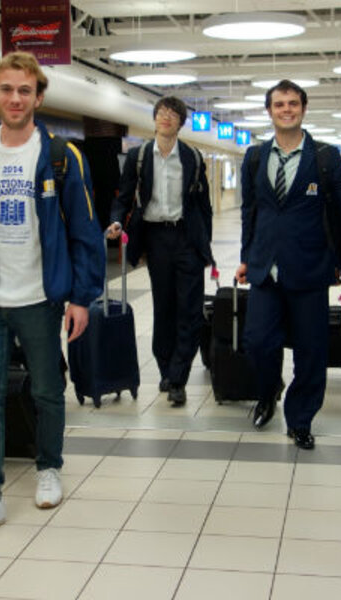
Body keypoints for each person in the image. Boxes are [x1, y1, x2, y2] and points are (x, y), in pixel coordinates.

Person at [0, 52, 105, 538]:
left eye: (24, 90)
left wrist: (80, 296)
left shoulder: (61, 156)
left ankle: (49, 465)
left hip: (40, 297)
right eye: (7, 90)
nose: (15, 98)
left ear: (39, 97)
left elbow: (86, 234)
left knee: (48, 389)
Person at [236, 79, 341, 450]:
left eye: (292, 103)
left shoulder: (324, 156)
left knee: (311, 350)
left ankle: (300, 419)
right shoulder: (255, 157)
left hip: (309, 270)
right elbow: (250, 211)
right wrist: (245, 256)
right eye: (279, 104)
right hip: (265, 269)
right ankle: (269, 391)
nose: (286, 109)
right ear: (269, 111)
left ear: (303, 109)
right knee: (257, 342)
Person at [107, 96, 214, 407]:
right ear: (154, 119)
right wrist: (116, 221)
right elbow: (123, 197)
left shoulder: (192, 156)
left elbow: (203, 206)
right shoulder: (139, 157)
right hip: (156, 239)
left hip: (187, 239)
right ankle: (167, 368)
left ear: (180, 122)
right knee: (164, 307)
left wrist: (204, 244)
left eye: (173, 114)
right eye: (161, 112)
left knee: (190, 310)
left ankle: (179, 377)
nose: (166, 117)